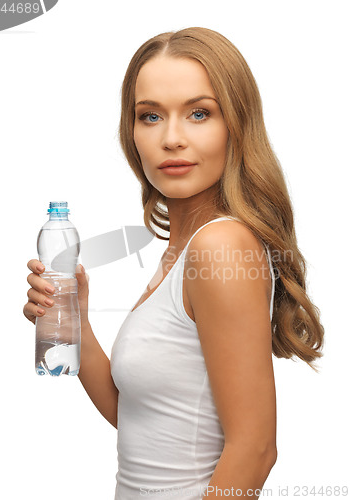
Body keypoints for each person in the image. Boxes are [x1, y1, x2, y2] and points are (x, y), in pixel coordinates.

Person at [23, 27, 325, 499]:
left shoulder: (219, 246)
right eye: (150, 116)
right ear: (132, 132)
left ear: (237, 125)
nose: (171, 138)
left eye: (199, 114)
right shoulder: (183, 251)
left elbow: (256, 449)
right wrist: (75, 321)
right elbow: (143, 421)